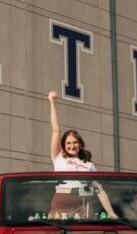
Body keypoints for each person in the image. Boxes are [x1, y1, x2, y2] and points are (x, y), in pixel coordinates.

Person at [47, 91, 118, 219]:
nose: (72, 146)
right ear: (63, 145)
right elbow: (56, 130)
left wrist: (112, 214)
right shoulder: (58, 157)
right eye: (68, 143)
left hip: (82, 206)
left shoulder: (89, 165)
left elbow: (99, 190)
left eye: (75, 142)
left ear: (80, 144)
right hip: (61, 204)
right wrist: (52, 104)